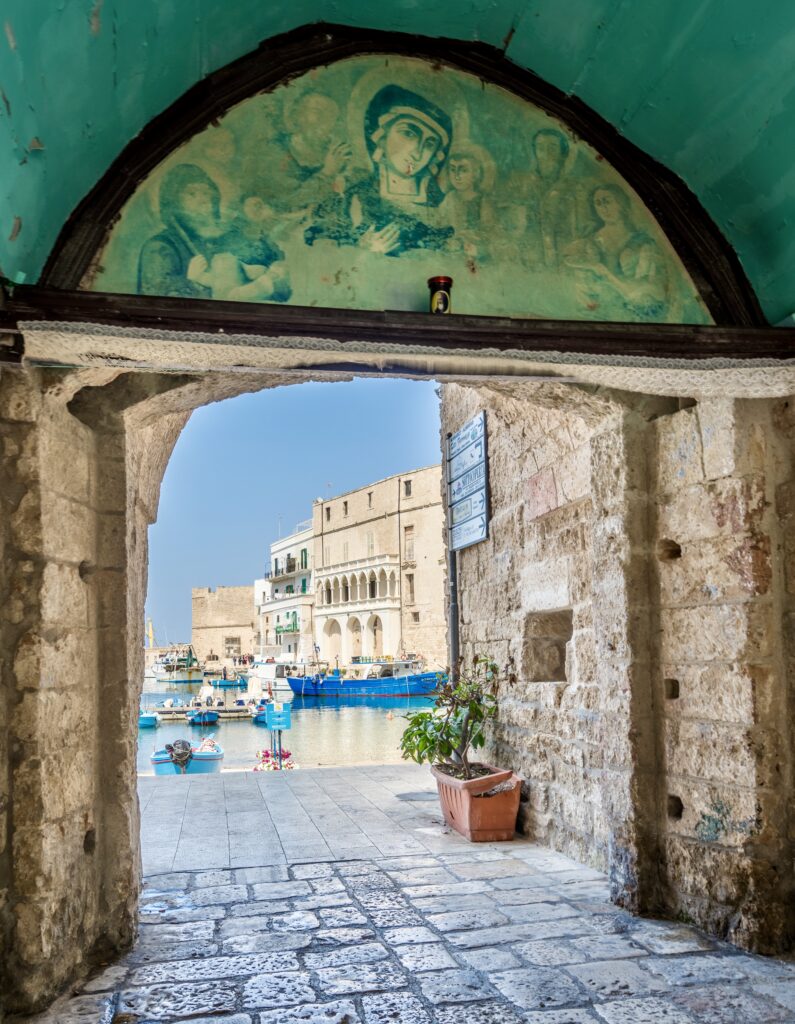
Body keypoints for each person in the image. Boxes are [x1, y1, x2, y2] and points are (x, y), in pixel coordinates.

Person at [305, 85, 454, 256]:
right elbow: (315, 241)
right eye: (408, 133)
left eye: (429, 144)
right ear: (381, 135)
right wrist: (359, 248)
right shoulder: (354, 195)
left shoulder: (442, 203)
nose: (417, 151)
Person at [138, 163, 291, 302]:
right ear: (174, 202)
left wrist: (267, 272)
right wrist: (191, 281)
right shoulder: (161, 247)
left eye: (206, 193)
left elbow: (282, 293)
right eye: (192, 194)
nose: (204, 200)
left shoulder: (226, 240)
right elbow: (155, 301)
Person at [563, 183, 668, 319]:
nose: (603, 208)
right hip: (599, 313)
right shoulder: (589, 241)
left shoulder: (642, 243)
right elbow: (581, 289)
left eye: (607, 201)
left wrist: (603, 272)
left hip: (632, 314)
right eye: (598, 203)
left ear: (621, 203)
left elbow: (648, 295)